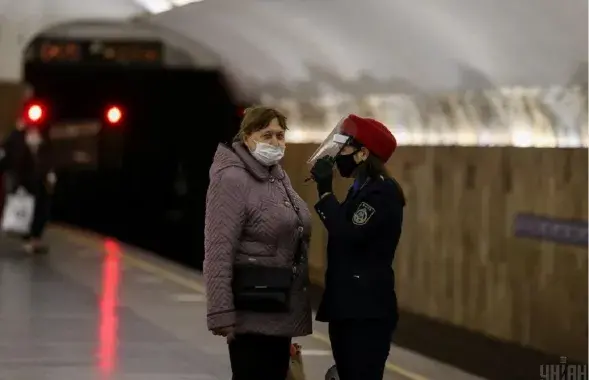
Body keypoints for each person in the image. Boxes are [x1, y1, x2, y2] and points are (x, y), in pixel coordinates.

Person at [203, 106, 313, 380]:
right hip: (252, 309)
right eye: (266, 135)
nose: (275, 143)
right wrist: (220, 312)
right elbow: (218, 249)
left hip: (278, 306)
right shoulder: (232, 179)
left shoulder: (278, 176)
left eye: (280, 135)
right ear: (247, 137)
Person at [309, 114, 406, 380]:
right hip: (349, 307)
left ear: (363, 154)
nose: (338, 153)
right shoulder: (359, 189)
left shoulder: (381, 193)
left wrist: (325, 191)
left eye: (345, 147)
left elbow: (348, 234)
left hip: (366, 311)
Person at [0, 120, 56, 253]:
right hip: (23, 179)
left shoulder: (43, 135)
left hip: (40, 179)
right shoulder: (17, 137)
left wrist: (50, 172)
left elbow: (48, 155)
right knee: (27, 208)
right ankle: (29, 238)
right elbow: (8, 156)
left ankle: (34, 238)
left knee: (40, 207)